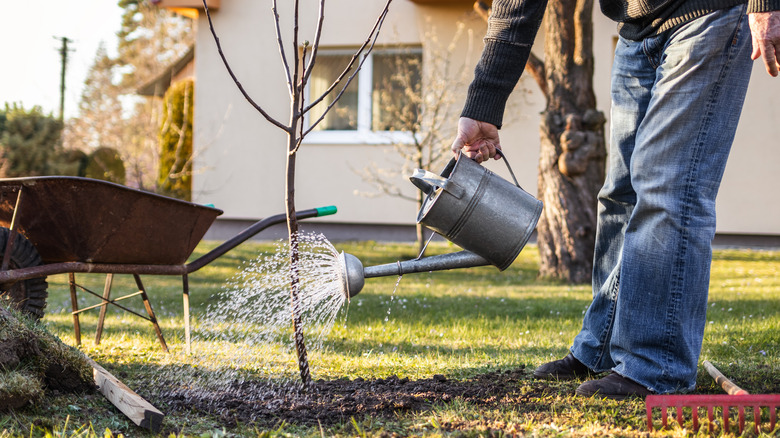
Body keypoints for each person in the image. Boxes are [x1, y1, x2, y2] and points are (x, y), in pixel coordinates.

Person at [451, 1, 780, 399]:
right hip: (636, 29)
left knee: (668, 189)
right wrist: (484, 103)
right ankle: (602, 349)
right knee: (619, 197)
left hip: (706, 14)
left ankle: (657, 367)